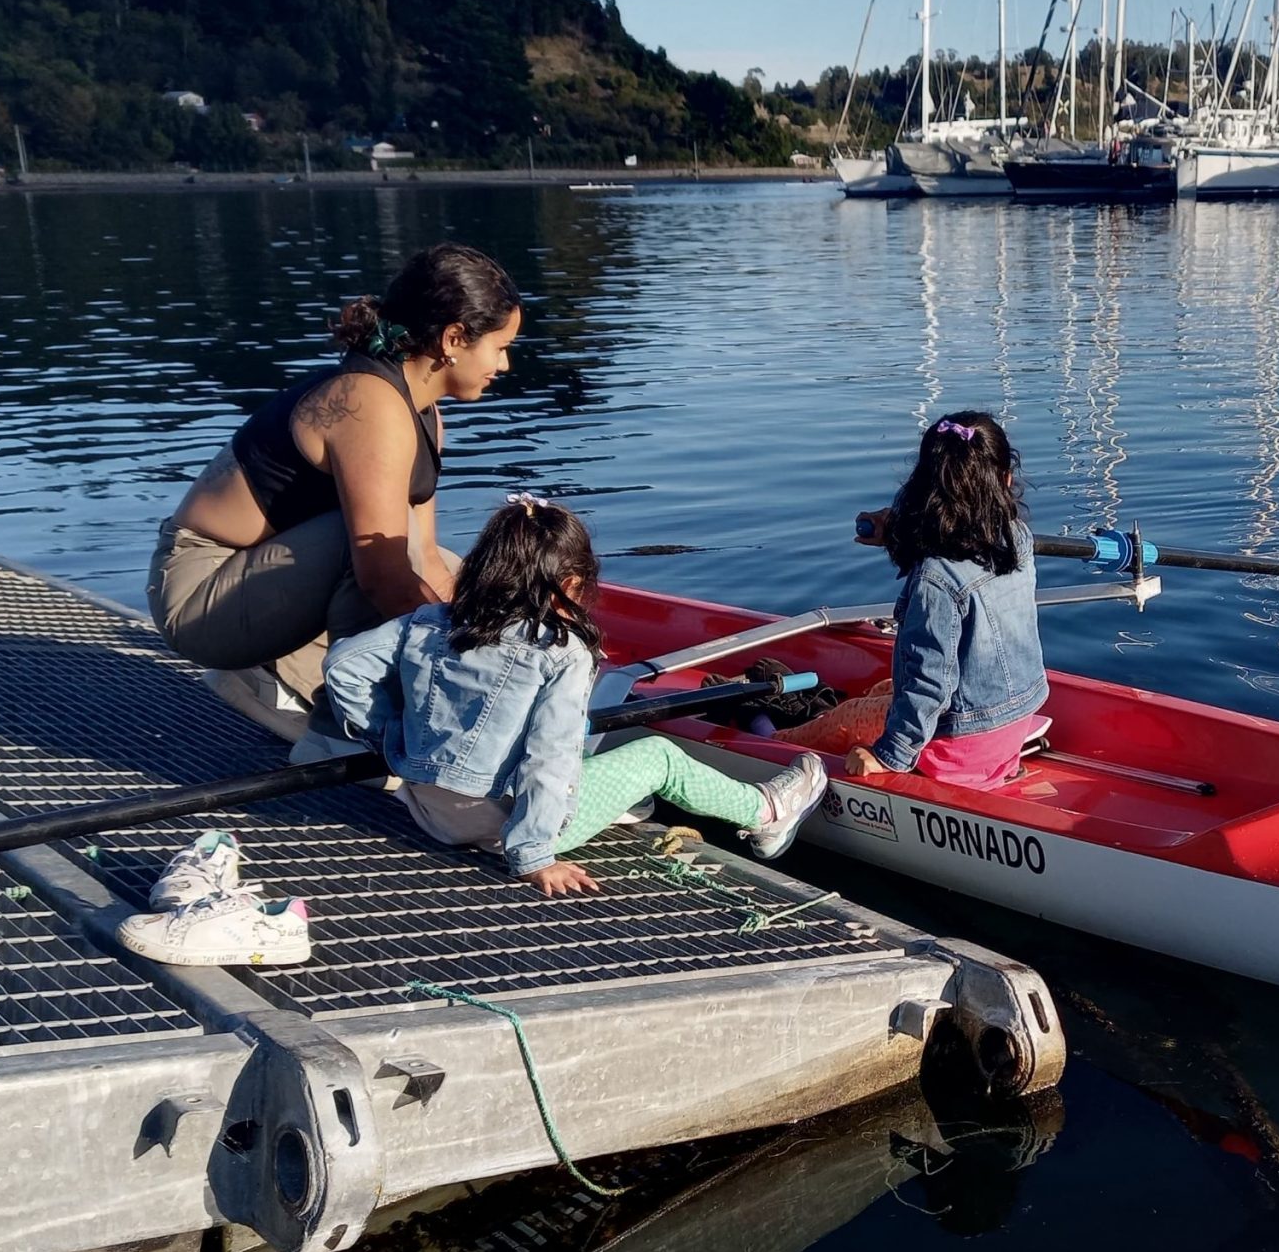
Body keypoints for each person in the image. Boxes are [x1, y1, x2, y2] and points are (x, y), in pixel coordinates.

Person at [323, 497, 828, 896]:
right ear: (567, 583)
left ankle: (620, 803)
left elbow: (343, 666)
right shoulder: (561, 653)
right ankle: (766, 813)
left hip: (430, 809)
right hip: (503, 827)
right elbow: (549, 756)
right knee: (659, 757)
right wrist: (534, 857)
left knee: (575, 756)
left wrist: (391, 738)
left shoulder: (431, 622)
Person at [148, 243, 521, 733]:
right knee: (380, 548)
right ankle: (338, 733)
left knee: (456, 571)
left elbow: (428, 557)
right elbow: (383, 576)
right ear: (453, 339)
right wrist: (464, 661)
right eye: (500, 346)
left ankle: (282, 677)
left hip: (261, 578)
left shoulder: (423, 414)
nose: (505, 365)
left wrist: (494, 637)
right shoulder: (369, 405)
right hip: (199, 595)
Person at [845, 412, 1049, 792]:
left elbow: (929, 682)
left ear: (920, 490)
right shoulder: (1017, 538)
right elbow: (966, 545)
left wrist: (889, 755)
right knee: (882, 690)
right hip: (1014, 724)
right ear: (1006, 480)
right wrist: (895, 531)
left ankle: (768, 742)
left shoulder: (934, 580)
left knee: (842, 718)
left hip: (957, 750)